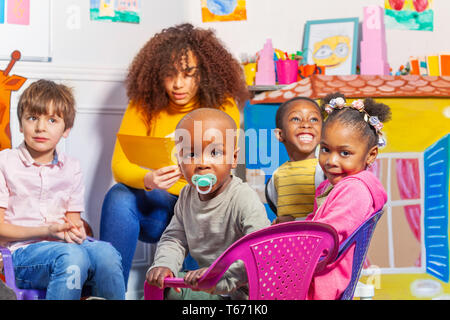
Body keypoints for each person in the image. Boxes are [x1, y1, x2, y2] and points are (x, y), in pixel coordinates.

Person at [100, 23, 249, 287]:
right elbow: (119, 165)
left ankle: (193, 293)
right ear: (158, 74)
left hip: (201, 209)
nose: (178, 84)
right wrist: (149, 178)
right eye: (170, 74)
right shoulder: (143, 106)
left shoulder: (222, 104)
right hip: (159, 207)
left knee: (201, 210)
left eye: (188, 74)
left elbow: (223, 167)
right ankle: (109, 293)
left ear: (204, 73)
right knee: (119, 196)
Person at [0, 80, 125, 300]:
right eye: (32, 118)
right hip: (20, 255)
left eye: (52, 120)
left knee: (107, 253)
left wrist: (74, 231)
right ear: (20, 124)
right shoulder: (5, 162)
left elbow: (73, 222)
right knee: (71, 256)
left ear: (66, 129)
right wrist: (47, 230)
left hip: (66, 249)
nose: (41, 127)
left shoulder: (72, 167)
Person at [146, 108, 271, 300]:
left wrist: (218, 275)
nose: (202, 163)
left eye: (215, 152)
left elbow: (261, 251)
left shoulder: (243, 198)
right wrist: (164, 265)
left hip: (244, 294)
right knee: (162, 290)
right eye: (191, 154)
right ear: (179, 163)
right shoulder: (187, 196)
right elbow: (175, 238)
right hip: (208, 287)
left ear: (233, 159)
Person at [306, 93, 390, 300]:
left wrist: (286, 252)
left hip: (323, 283)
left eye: (344, 153)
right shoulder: (335, 187)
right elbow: (315, 225)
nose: (331, 161)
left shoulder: (355, 191)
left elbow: (323, 238)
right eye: (325, 149)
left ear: (370, 155)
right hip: (319, 275)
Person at [266, 97, 325, 224]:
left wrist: (292, 222)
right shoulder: (276, 177)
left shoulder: (327, 171)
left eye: (313, 119)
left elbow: (330, 214)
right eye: (296, 119)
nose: (306, 124)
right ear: (280, 135)